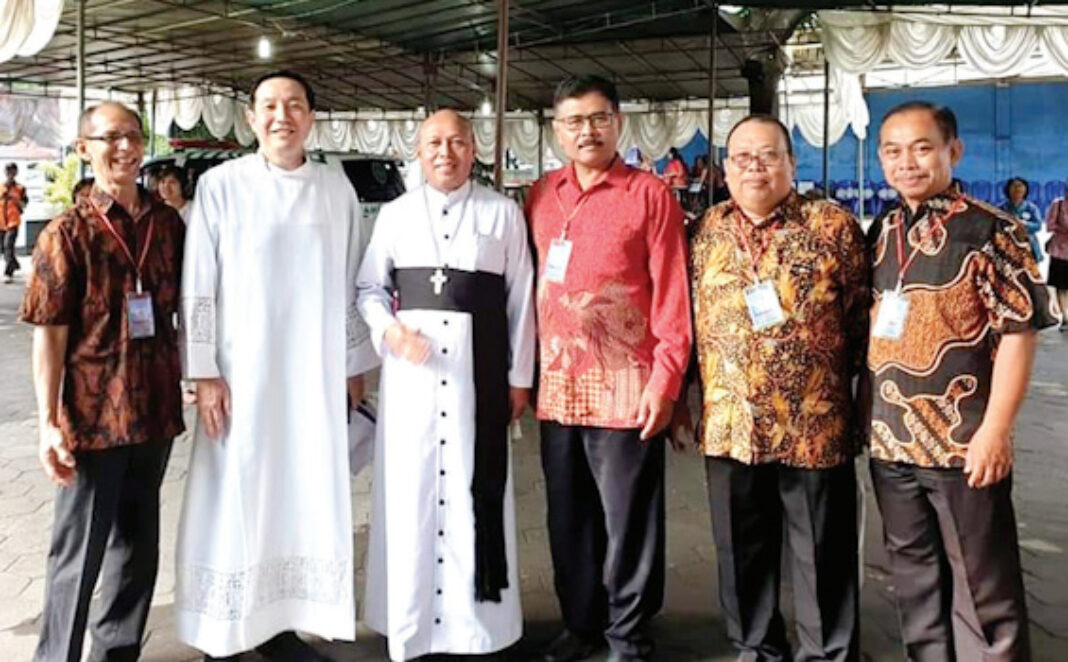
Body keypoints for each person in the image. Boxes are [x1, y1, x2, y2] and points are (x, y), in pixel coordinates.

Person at [176, 70, 378, 661]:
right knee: (234, 496)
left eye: (294, 105)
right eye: (268, 105)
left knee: (301, 495)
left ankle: (282, 625)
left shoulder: (334, 189)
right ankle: (223, 631)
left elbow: (351, 279)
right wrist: (204, 372)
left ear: (311, 117)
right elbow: (199, 283)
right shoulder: (221, 186)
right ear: (250, 119)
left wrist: (353, 366)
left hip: (313, 378)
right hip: (242, 376)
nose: (281, 116)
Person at [866, 102, 1055, 661]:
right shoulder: (884, 229)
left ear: (953, 151)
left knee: (982, 583)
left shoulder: (992, 229)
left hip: (962, 442)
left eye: (922, 148)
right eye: (893, 151)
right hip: (891, 440)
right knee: (914, 578)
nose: (906, 162)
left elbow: (1019, 332)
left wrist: (995, 431)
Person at [357, 109, 536, 661]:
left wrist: (519, 378)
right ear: (417, 150)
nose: (445, 152)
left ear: (473, 148)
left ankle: (476, 628)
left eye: (457, 141)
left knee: (470, 488)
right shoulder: (395, 215)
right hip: (411, 383)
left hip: (474, 384)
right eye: (434, 142)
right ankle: (407, 622)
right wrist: (391, 332)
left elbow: (521, 300)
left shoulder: (502, 212)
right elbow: (369, 289)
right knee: (410, 494)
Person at [689, 114, 868, 662]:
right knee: (740, 549)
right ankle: (756, 647)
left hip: (814, 424)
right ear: (726, 169)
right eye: (742, 158)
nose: (755, 168)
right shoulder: (706, 229)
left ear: (792, 162)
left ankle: (828, 652)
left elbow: (861, 318)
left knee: (822, 550)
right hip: (732, 423)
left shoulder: (832, 226)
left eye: (768, 156)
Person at [525, 74, 692, 662]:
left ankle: (629, 635)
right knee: (568, 518)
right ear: (557, 131)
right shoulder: (541, 194)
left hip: (627, 389)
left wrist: (666, 382)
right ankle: (581, 625)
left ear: (618, 122)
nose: (587, 131)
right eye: (574, 121)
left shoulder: (650, 195)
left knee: (629, 522)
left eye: (598, 118)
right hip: (557, 387)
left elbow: (672, 293)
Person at [21, 102, 185, 662]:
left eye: (133, 136)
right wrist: (47, 423)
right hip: (92, 418)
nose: (125, 148)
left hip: (155, 410)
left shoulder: (168, 225)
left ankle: (115, 654)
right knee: (78, 554)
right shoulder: (66, 233)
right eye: (111, 137)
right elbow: (49, 336)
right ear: (83, 148)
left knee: (138, 548)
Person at [999, 176, 1044, 262]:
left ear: (1025, 190)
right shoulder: (1002, 208)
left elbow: (1038, 226)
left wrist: (1024, 224)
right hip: (1007, 244)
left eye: (1020, 186)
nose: (1017, 189)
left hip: (1028, 244)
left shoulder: (1031, 208)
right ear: (1008, 189)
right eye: (1014, 186)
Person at [1044, 186, 1068, 330]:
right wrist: (1064, 229)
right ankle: (1065, 318)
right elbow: (1049, 225)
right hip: (1060, 250)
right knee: (1061, 286)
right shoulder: (1057, 205)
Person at [1, 162, 29, 282]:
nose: (10, 174)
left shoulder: (20, 188)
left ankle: (8, 273)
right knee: (3, 248)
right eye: (8, 171)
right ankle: (14, 263)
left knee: (8, 245)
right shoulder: (1, 187)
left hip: (13, 221)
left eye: (12, 171)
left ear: (16, 173)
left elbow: (24, 204)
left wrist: (15, 199)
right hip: (1, 222)